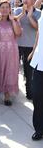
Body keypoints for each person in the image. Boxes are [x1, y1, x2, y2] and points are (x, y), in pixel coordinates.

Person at [14, 0, 41, 100]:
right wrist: (22, 14)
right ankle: (11, 90)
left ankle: (29, 92)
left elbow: (38, 28)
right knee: (13, 69)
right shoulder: (17, 11)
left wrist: (30, 16)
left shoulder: (39, 13)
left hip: (31, 46)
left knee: (29, 72)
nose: (25, 0)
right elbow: (13, 23)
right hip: (16, 44)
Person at [28, 12, 43, 140]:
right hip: (40, 61)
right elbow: (39, 31)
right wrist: (34, 50)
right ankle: (39, 128)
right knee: (37, 95)